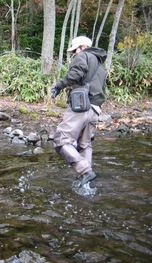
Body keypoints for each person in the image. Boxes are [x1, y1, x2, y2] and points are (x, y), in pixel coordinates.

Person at [51, 36, 107, 186]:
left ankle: (85, 171)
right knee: (85, 144)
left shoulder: (83, 55)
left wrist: (58, 86)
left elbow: (75, 74)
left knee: (61, 140)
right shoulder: (101, 65)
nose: (74, 54)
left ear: (82, 47)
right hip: (96, 109)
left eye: (74, 50)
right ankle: (86, 182)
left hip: (81, 106)